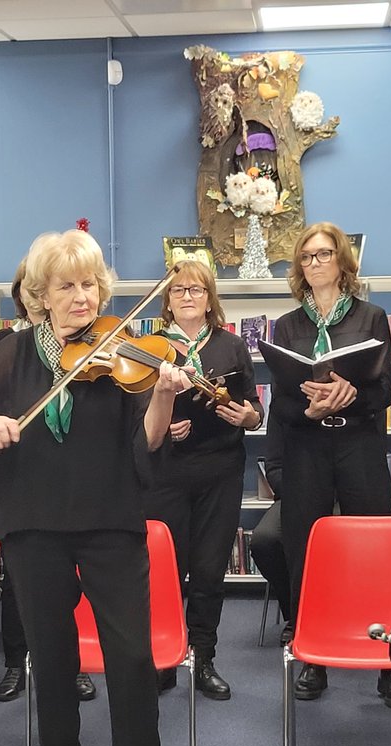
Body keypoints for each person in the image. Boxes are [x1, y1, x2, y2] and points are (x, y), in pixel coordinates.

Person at [0, 229, 190, 746]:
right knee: (50, 659)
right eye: (66, 286)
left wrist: (161, 395)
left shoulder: (122, 353)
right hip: (33, 525)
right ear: (39, 297)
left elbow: (148, 444)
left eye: (89, 284)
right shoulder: (11, 352)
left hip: (110, 521)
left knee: (131, 660)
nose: (82, 298)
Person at [271, 222, 391, 707]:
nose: (315, 263)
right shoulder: (288, 326)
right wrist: (308, 409)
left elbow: (383, 389)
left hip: (358, 445)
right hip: (307, 445)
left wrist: (349, 395)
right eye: (307, 257)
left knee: (378, 551)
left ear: (343, 261)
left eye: (324, 254)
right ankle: (313, 658)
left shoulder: (372, 316)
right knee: (305, 551)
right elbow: (280, 404)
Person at [143, 260, 262, 700]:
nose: (188, 297)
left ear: (210, 298)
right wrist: (161, 422)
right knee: (166, 570)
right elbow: (136, 410)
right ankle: (166, 656)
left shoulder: (231, 346)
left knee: (210, 569)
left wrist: (249, 416)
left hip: (220, 471)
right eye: (179, 291)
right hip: (166, 475)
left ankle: (204, 656)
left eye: (196, 290)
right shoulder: (151, 348)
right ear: (168, 302)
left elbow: (253, 404)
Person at [0, 260, 96, 704]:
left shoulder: (88, 345)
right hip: (21, 483)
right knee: (18, 582)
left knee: (72, 584)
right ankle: (17, 661)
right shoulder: (7, 346)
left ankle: (69, 666)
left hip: (74, 485)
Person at [248, 411, 292, 644]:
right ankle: (295, 613)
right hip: (295, 495)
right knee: (265, 540)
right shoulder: (285, 404)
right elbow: (274, 467)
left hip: (343, 496)